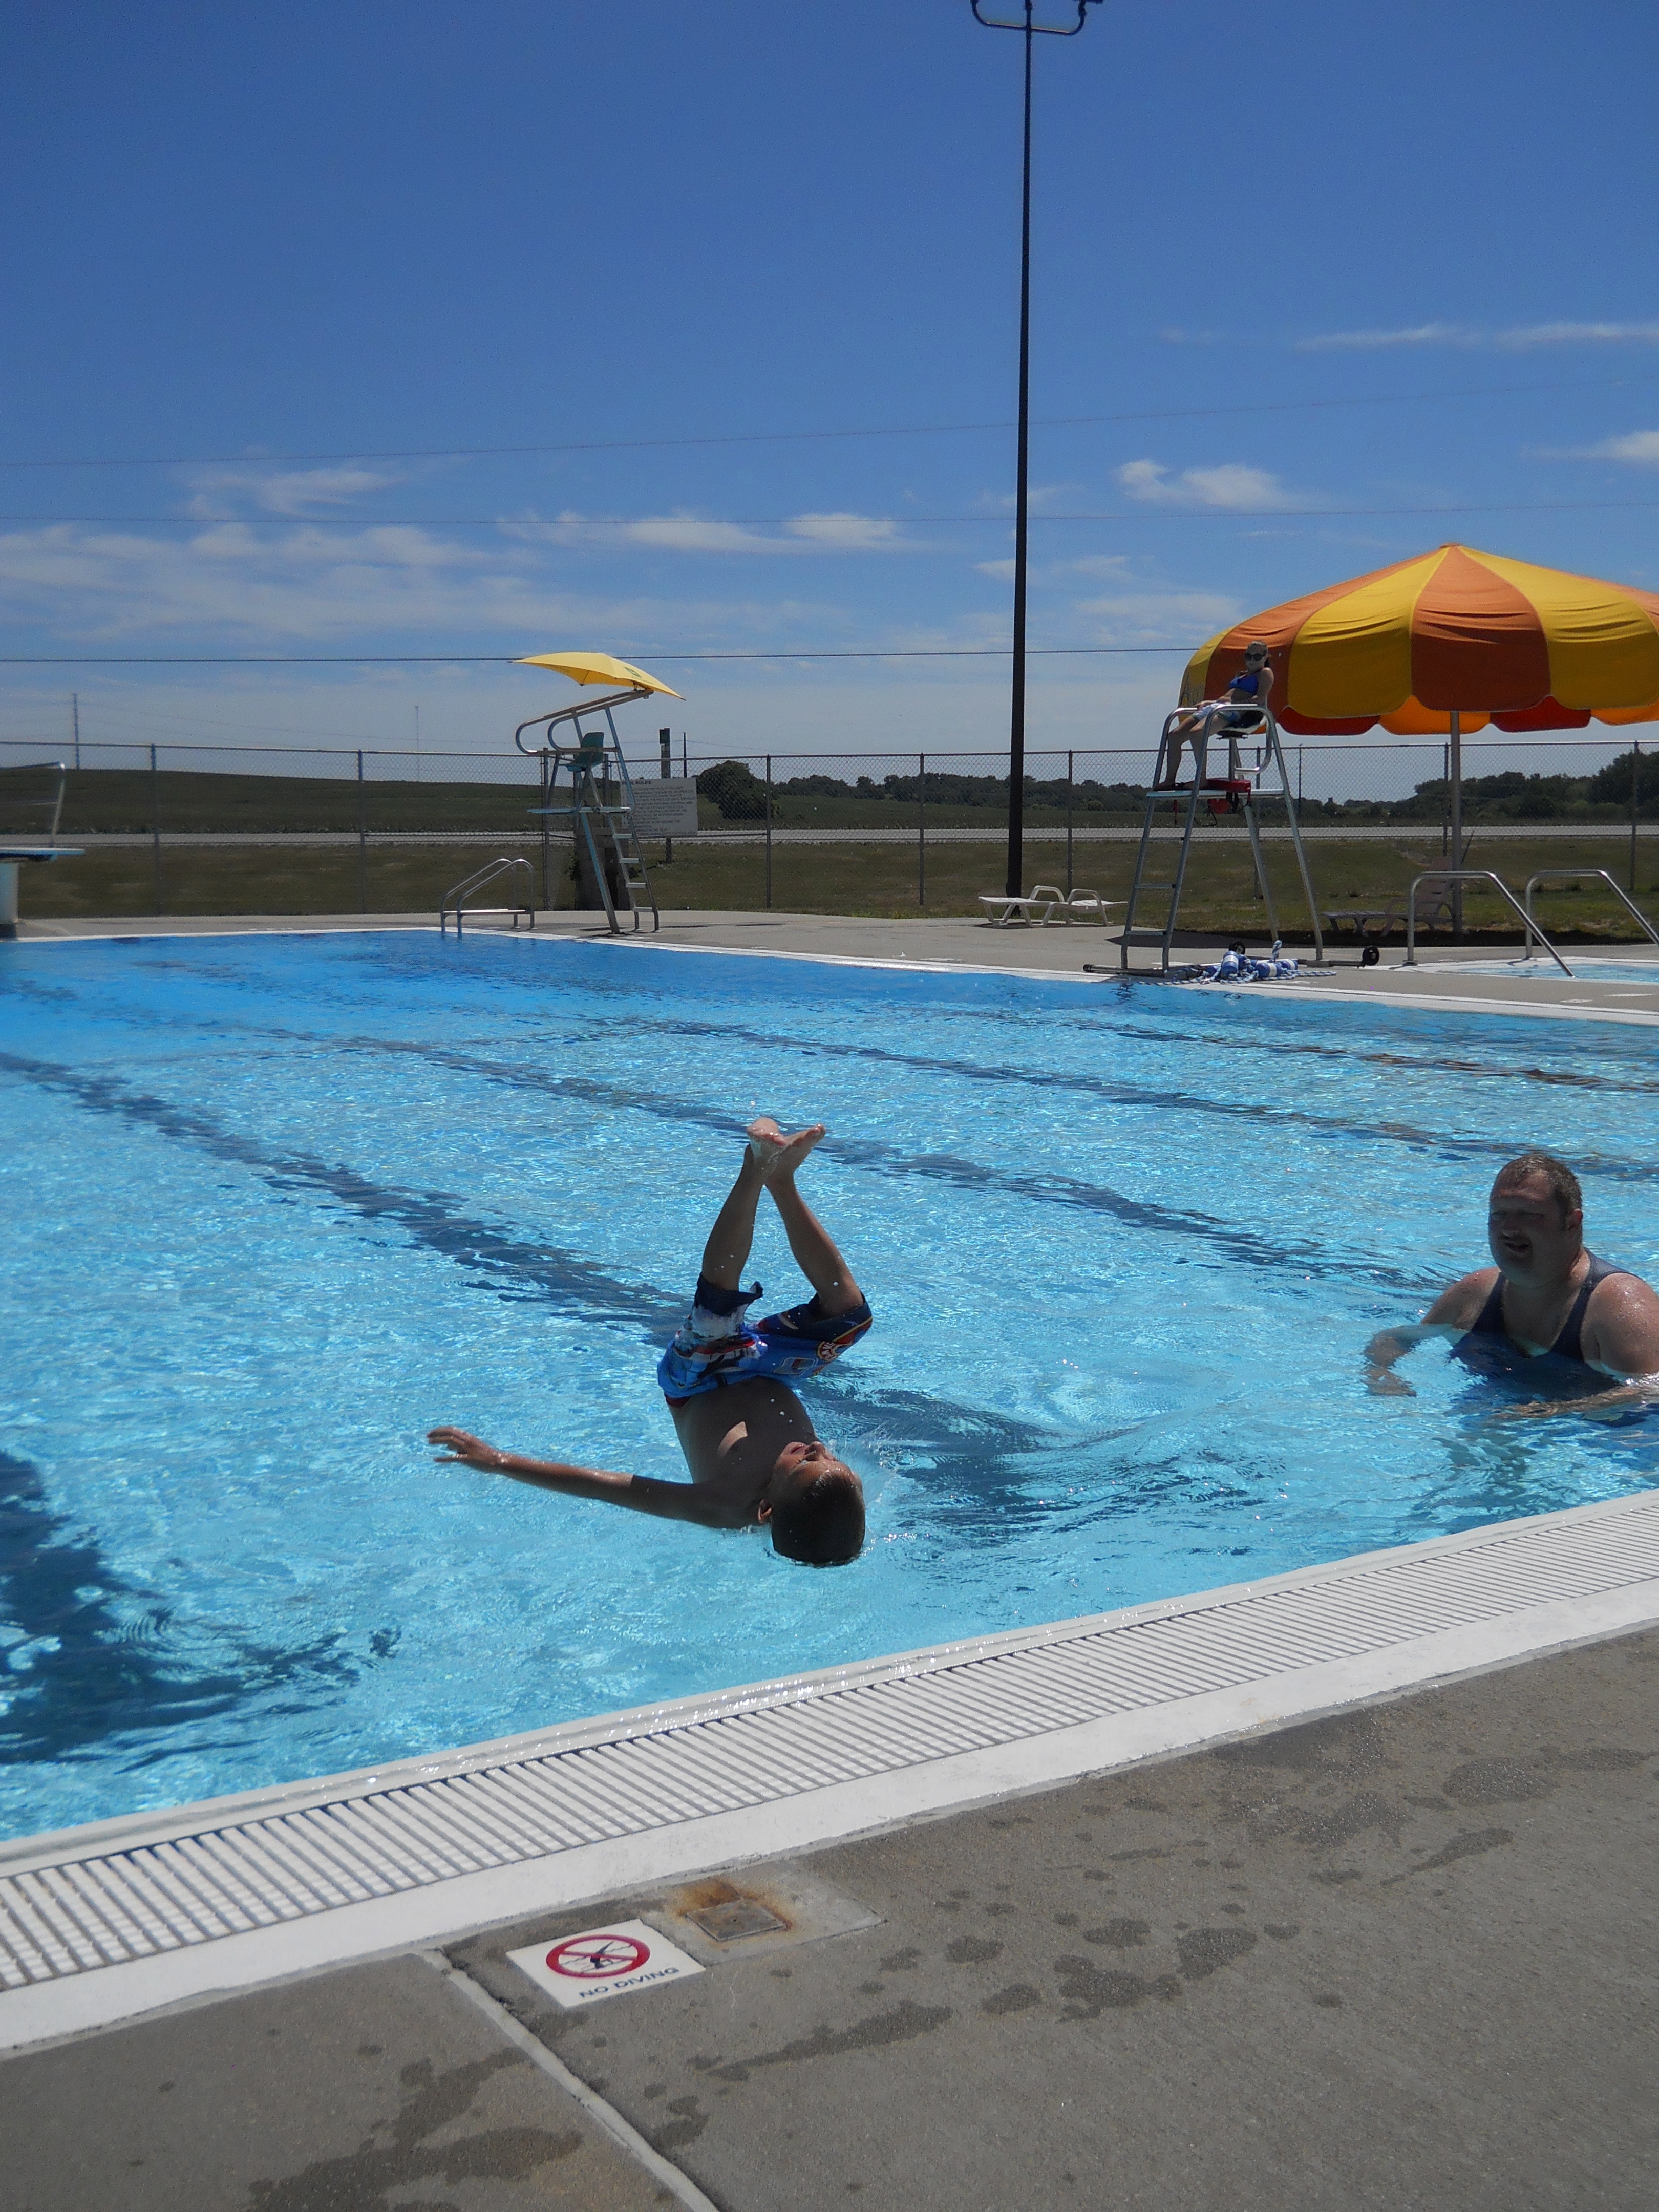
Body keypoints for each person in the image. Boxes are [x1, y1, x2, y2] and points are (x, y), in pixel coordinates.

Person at [429, 1119, 873, 1564]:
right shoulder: (825, 1498)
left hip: (700, 1377)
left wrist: (499, 1461)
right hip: (772, 1369)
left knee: (717, 1306)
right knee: (850, 1316)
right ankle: (783, 1181)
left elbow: (611, 1488)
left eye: (805, 1462)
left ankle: (755, 1171)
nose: (818, 1449)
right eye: (834, 1462)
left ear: (766, 1509)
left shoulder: (720, 1505)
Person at [1364, 1151, 1659, 1420]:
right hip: (1500, 1419)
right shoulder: (1476, 1293)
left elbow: (1651, 1393)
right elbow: (1396, 1339)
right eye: (1499, 1213)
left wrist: (1551, 1413)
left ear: (1572, 1223)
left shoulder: (1618, 1304)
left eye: (1529, 1214)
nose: (1509, 1228)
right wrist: (1381, 1374)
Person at [1157, 639, 1274, 790]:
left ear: (1265, 657)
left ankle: (1201, 779)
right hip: (1218, 707)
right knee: (1174, 736)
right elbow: (1228, 696)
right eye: (1248, 656)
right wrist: (1209, 702)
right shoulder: (1242, 675)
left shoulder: (1265, 673)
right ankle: (1169, 780)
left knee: (1197, 733)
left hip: (1234, 711)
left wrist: (1233, 704)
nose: (1252, 660)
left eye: (1257, 657)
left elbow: (1260, 699)